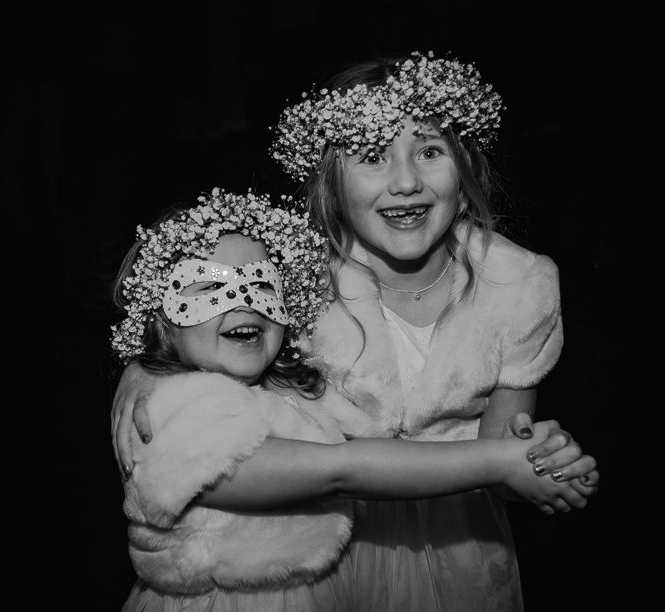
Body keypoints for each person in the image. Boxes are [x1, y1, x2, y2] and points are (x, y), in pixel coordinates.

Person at [113, 52, 600, 611]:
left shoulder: (519, 286)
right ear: (331, 184)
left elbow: (499, 460)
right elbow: (206, 332)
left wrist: (542, 463)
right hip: (328, 551)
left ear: (466, 177)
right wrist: (142, 376)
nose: (405, 180)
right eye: (371, 155)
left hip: (462, 551)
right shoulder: (294, 278)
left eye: (431, 151)